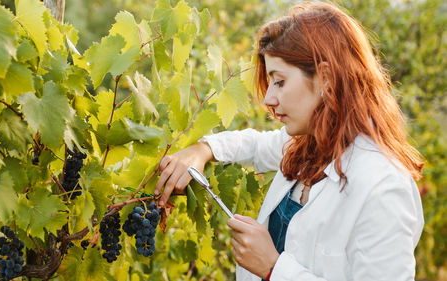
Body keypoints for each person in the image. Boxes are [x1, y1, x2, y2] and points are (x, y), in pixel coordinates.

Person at [154, 1, 425, 280]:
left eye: (279, 81)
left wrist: (273, 268)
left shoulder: (383, 187)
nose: (269, 99)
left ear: (326, 78)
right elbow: (255, 145)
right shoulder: (310, 145)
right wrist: (203, 149)